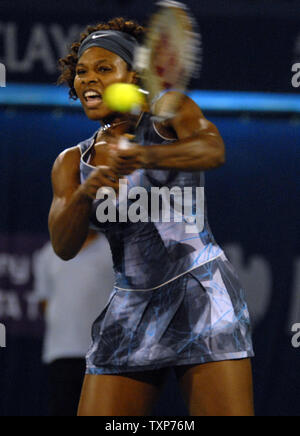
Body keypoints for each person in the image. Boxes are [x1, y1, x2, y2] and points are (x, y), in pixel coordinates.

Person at [49, 17, 255, 416]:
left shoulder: (169, 112)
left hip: (201, 295)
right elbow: (63, 245)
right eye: (82, 73)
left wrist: (144, 155)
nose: (89, 80)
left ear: (133, 75)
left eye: (104, 69)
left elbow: (213, 150)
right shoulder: (71, 162)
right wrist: (86, 192)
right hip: (129, 307)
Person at [33, 231, 114, 416]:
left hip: (103, 357)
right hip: (62, 354)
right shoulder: (48, 254)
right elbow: (44, 302)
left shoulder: (113, 250)